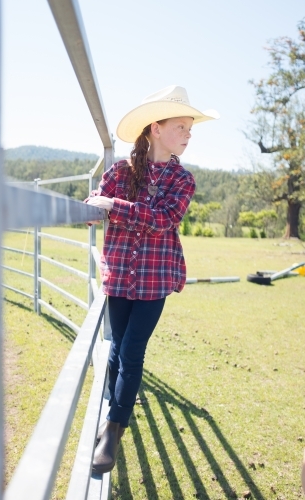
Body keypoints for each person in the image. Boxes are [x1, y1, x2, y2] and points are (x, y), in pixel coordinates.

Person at [85, 85, 219, 474]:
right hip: (119, 278)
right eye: (182, 126)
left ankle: (112, 429)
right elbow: (97, 202)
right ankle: (115, 407)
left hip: (155, 281)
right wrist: (97, 205)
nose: (189, 134)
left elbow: (163, 220)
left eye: (191, 128)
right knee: (116, 348)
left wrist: (114, 206)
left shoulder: (183, 180)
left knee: (131, 351)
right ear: (155, 129)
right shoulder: (120, 173)